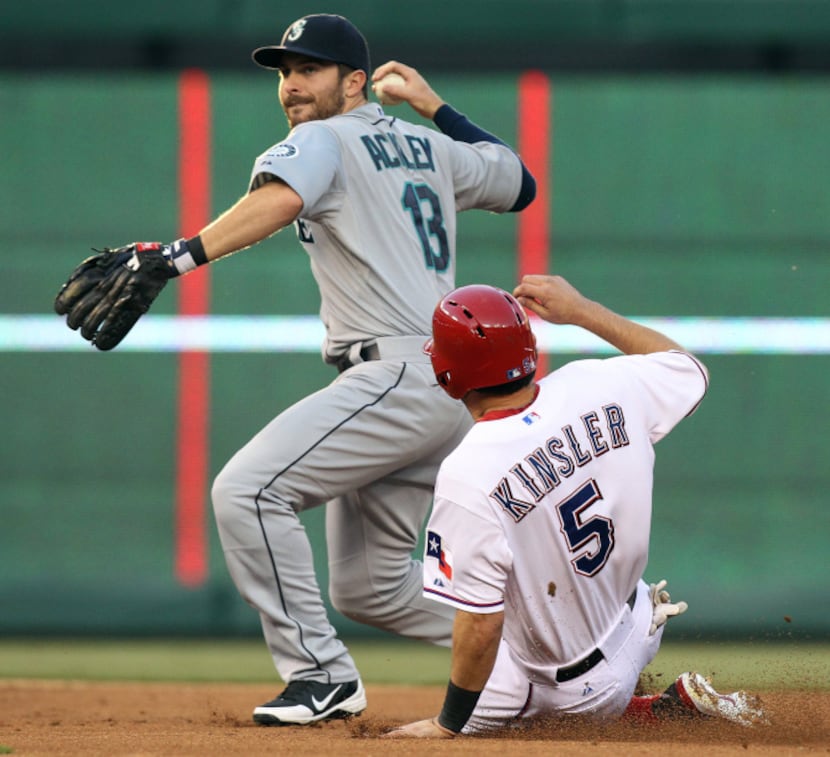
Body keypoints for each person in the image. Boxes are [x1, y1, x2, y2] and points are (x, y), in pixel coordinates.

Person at [51, 12, 536, 725]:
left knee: (246, 490)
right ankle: (540, 639)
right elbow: (519, 182)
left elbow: (278, 199)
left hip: (397, 374)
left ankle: (320, 674)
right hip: (443, 389)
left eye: (308, 69)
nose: (291, 85)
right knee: (370, 587)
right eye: (284, 70)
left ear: (354, 81)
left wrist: (176, 256)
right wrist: (435, 107)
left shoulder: (320, 139)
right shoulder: (429, 147)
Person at [385, 275, 766, 738]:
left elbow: (480, 627)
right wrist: (581, 310)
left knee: (418, 736)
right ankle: (666, 707)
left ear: (448, 375)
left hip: (572, 685)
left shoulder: (468, 471)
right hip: (639, 616)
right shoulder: (600, 382)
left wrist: (448, 724)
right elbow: (685, 367)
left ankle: (631, 711)